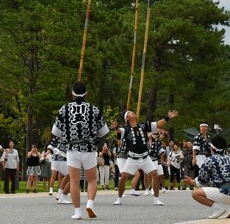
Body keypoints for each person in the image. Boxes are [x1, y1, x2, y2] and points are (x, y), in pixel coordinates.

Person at [52, 80, 111, 220]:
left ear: (72, 94)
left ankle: (77, 212)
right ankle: (90, 203)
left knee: (74, 181)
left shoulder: (65, 108)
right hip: (89, 148)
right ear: (86, 94)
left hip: (72, 148)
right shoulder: (94, 109)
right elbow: (104, 131)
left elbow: (55, 131)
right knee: (91, 180)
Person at [113, 106, 175, 208]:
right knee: (123, 177)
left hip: (145, 157)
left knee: (155, 174)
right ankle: (119, 198)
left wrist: (167, 117)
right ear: (127, 118)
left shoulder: (143, 126)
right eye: (130, 113)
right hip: (132, 158)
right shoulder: (126, 129)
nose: (133, 113)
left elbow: (157, 124)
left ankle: (156, 199)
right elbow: (119, 131)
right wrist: (115, 127)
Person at [182, 134, 230, 219]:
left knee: (195, 193)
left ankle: (218, 209)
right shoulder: (229, 159)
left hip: (225, 195)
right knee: (229, 180)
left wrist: (192, 181)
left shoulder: (210, 160)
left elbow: (201, 180)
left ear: (212, 148)